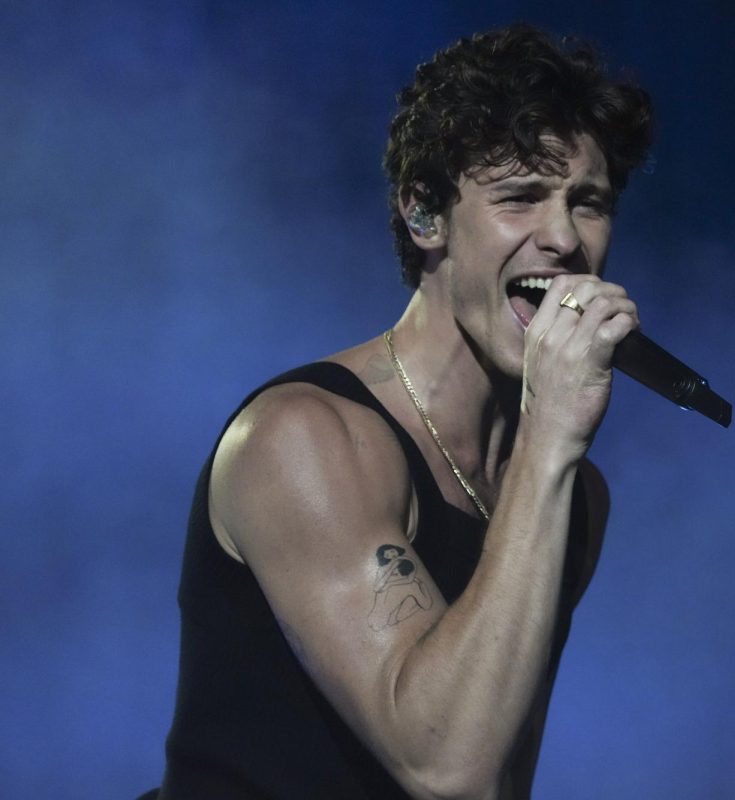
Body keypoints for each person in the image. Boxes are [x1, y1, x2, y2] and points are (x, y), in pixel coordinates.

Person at [152, 23, 654, 800]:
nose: (563, 239)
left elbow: (499, 775)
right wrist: (551, 437)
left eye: (588, 203)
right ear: (425, 216)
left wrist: (548, 455)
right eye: (520, 197)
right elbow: (448, 768)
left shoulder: (573, 496)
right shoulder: (305, 439)